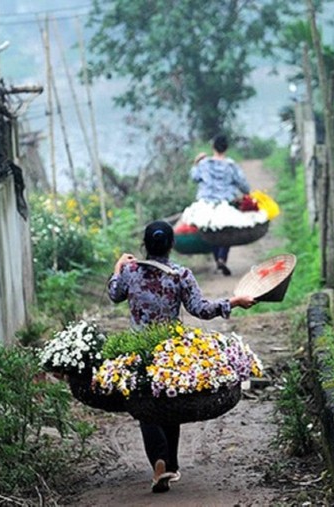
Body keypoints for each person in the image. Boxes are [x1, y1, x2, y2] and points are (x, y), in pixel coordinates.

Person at [108, 220, 256, 493]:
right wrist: (233, 302)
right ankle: (171, 464)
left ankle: (160, 462)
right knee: (168, 401)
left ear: (145, 245)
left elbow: (114, 294)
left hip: (139, 351)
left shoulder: (130, 271)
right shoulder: (180, 274)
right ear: (171, 244)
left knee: (145, 407)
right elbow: (200, 309)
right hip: (172, 351)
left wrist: (117, 267)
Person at [191, 133, 251, 276]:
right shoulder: (231, 165)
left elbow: (194, 177)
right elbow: (244, 185)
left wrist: (195, 163)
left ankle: (217, 258)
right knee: (226, 231)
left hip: (205, 203)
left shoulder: (204, 164)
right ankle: (222, 258)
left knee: (211, 230)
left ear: (213, 147)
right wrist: (246, 194)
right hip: (226, 203)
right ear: (226, 148)